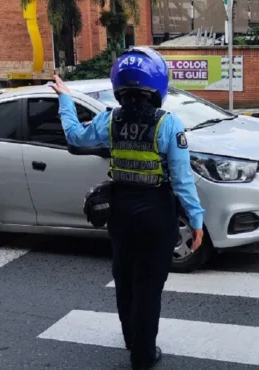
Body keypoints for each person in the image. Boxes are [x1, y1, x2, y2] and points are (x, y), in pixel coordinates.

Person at [49, 47, 205, 370]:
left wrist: (66, 98)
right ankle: (143, 355)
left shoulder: (109, 121)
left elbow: (75, 137)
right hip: (156, 215)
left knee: (124, 278)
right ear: (157, 86)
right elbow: (182, 180)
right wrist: (196, 220)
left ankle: (132, 340)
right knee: (149, 285)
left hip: (121, 214)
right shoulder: (168, 125)